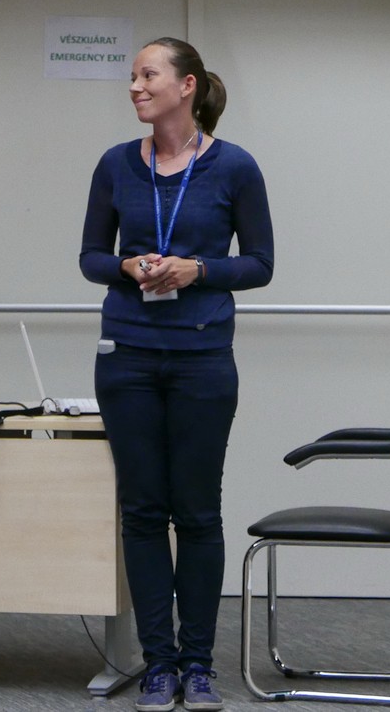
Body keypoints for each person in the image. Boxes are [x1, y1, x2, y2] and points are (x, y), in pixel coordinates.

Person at [79, 38, 274, 712]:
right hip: (127, 357)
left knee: (195, 512)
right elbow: (90, 257)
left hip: (201, 359)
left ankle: (198, 666)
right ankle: (158, 665)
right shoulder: (115, 165)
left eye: (148, 74)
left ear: (186, 86)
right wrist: (126, 266)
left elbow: (261, 263)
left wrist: (200, 270)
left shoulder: (234, 167)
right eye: (132, 76)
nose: (135, 86)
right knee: (141, 512)